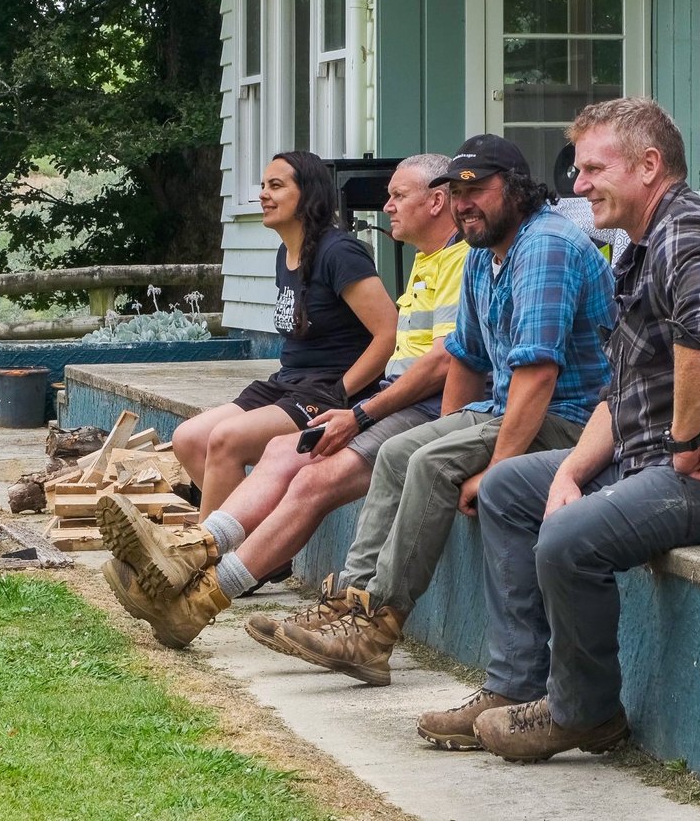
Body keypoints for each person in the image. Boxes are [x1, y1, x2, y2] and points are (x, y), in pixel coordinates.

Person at [416, 97, 700, 763]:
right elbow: (621, 391)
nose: (576, 186)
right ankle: (514, 685)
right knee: (511, 489)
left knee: (571, 538)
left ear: (649, 165)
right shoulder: (639, 249)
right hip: (660, 458)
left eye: (591, 169)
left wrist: (688, 444)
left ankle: (586, 713)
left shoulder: (696, 234)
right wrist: (572, 473)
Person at [258, 133, 616, 687]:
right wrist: (445, 431)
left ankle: (376, 628)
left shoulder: (546, 246)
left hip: (575, 419)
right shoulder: (483, 256)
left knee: (429, 462)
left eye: (478, 188)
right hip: (507, 407)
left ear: (517, 189)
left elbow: (538, 375)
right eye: (456, 190)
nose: (464, 201)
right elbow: (468, 359)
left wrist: (496, 470)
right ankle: (354, 601)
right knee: (403, 450)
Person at [97, 154, 469, 648]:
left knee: (275, 459)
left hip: (371, 398)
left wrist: (352, 405)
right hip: (360, 394)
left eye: (398, 196)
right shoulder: (427, 261)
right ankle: (194, 559)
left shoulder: (445, 259)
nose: (386, 206)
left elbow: (431, 358)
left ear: (437, 200)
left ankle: (199, 580)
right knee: (263, 450)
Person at [170, 150, 397, 521]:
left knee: (227, 440)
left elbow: (388, 334)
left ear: (307, 195)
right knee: (189, 438)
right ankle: (257, 546)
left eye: (276, 185)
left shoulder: (340, 252)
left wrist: (340, 393)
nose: (263, 194)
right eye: (262, 186)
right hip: (289, 383)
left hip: (328, 389)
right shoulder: (286, 253)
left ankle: (205, 559)